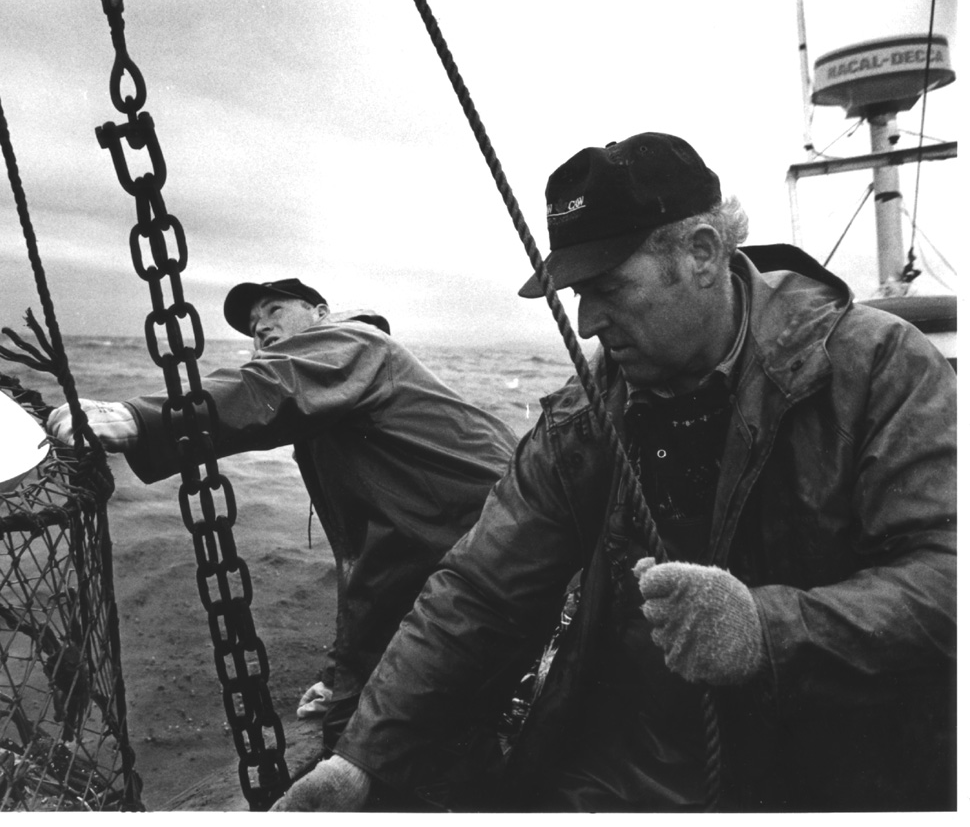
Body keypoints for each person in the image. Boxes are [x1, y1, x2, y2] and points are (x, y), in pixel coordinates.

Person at [272, 132, 956, 811]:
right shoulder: (586, 412)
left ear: (701, 254)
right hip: (627, 772)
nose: (587, 319)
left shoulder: (877, 367)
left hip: (840, 771)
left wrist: (769, 630)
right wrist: (361, 758)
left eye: (606, 287)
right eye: (576, 292)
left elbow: (950, 575)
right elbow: (481, 590)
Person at [47, 277, 519, 751]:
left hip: (500, 532)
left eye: (274, 310)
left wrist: (141, 418)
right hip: (476, 540)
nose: (262, 328)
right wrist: (340, 675)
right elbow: (368, 560)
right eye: (253, 326)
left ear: (321, 312)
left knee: (368, 738)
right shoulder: (331, 408)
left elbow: (270, 386)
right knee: (372, 718)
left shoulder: (355, 340)